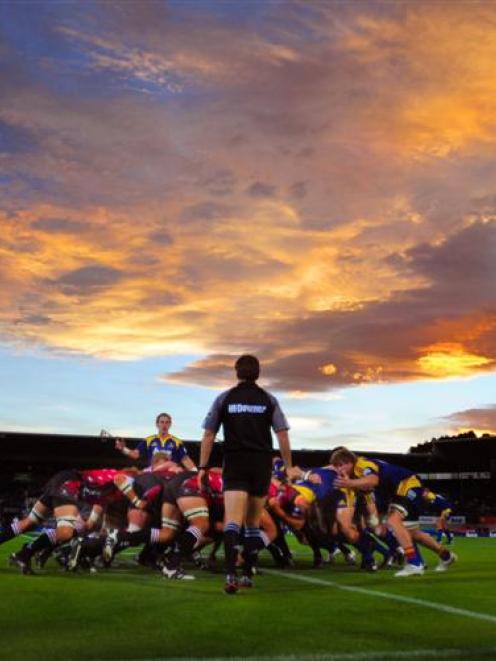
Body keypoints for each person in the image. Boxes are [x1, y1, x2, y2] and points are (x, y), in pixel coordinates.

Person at [198, 354, 294, 594]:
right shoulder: (268, 399)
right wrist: (289, 466)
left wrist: (202, 467)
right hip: (260, 464)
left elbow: (208, 435)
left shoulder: (225, 398)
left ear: (236, 372)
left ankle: (230, 573)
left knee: (233, 521)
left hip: (236, 462)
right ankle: (248, 573)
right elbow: (282, 434)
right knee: (253, 523)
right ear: (258, 373)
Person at [115, 412, 196, 470]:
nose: (164, 425)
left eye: (167, 422)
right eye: (162, 422)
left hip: (171, 474)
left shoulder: (177, 442)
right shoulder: (148, 440)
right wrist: (123, 449)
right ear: (157, 424)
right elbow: (135, 455)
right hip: (154, 475)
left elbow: (185, 459)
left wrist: (196, 472)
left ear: (170, 424)